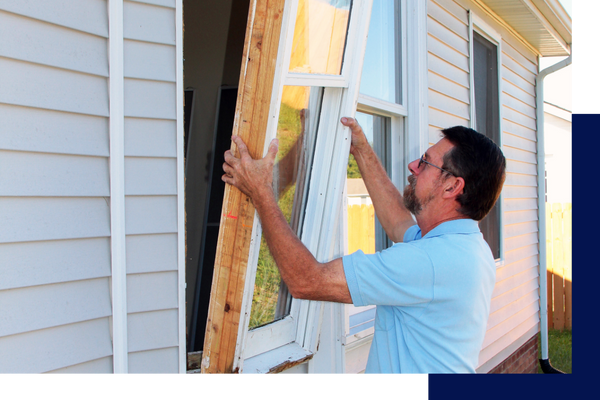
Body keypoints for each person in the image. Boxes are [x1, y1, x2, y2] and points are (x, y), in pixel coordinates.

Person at [222, 117, 506, 377]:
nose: (413, 166)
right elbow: (398, 224)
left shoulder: (429, 261)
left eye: (425, 162)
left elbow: (306, 280)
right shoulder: (466, 247)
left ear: (451, 187)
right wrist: (361, 150)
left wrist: (261, 191)